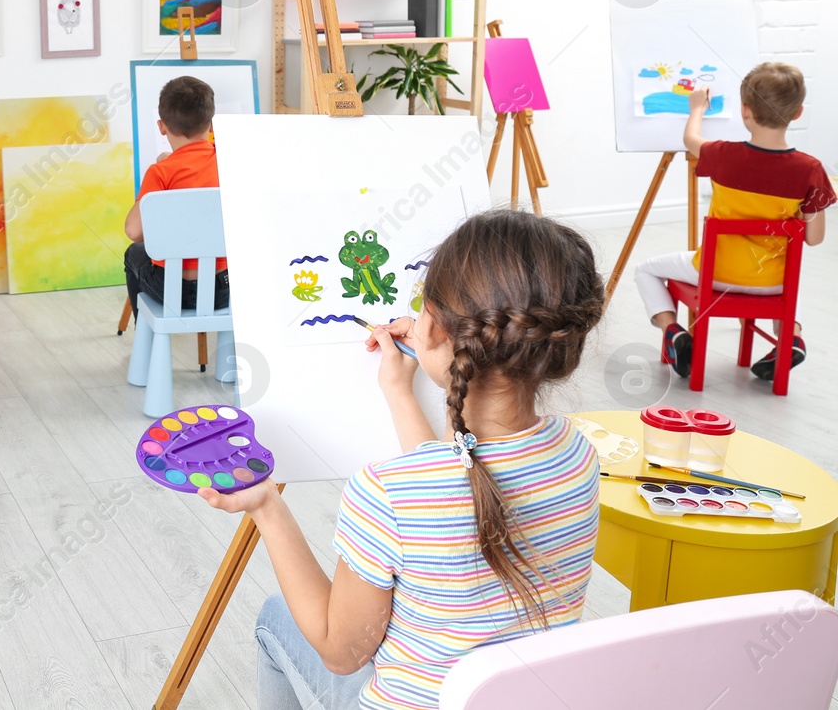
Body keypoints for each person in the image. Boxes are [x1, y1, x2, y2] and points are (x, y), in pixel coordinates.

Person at [200, 209, 606, 710]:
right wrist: (399, 389)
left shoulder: (388, 493)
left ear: (432, 324)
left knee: (274, 616)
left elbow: (340, 651)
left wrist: (267, 506)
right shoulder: (579, 457)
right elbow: (454, 480)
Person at [634, 62, 832, 380]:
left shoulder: (723, 155)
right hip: (772, 282)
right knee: (786, 293)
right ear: (798, 113)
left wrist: (697, 107)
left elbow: (690, 138)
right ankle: (790, 337)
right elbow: (814, 237)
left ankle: (673, 332)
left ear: (745, 111)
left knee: (645, 269)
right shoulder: (811, 169)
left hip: (717, 274)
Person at [123, 75, 229, 317]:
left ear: (162, 126)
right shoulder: (231, 161)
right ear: (211, 125)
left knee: (134, 253)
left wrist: (157, 176)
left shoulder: (161, 172)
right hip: (224, 290)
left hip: (171, 291)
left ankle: (146, 338)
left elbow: (134, 231)